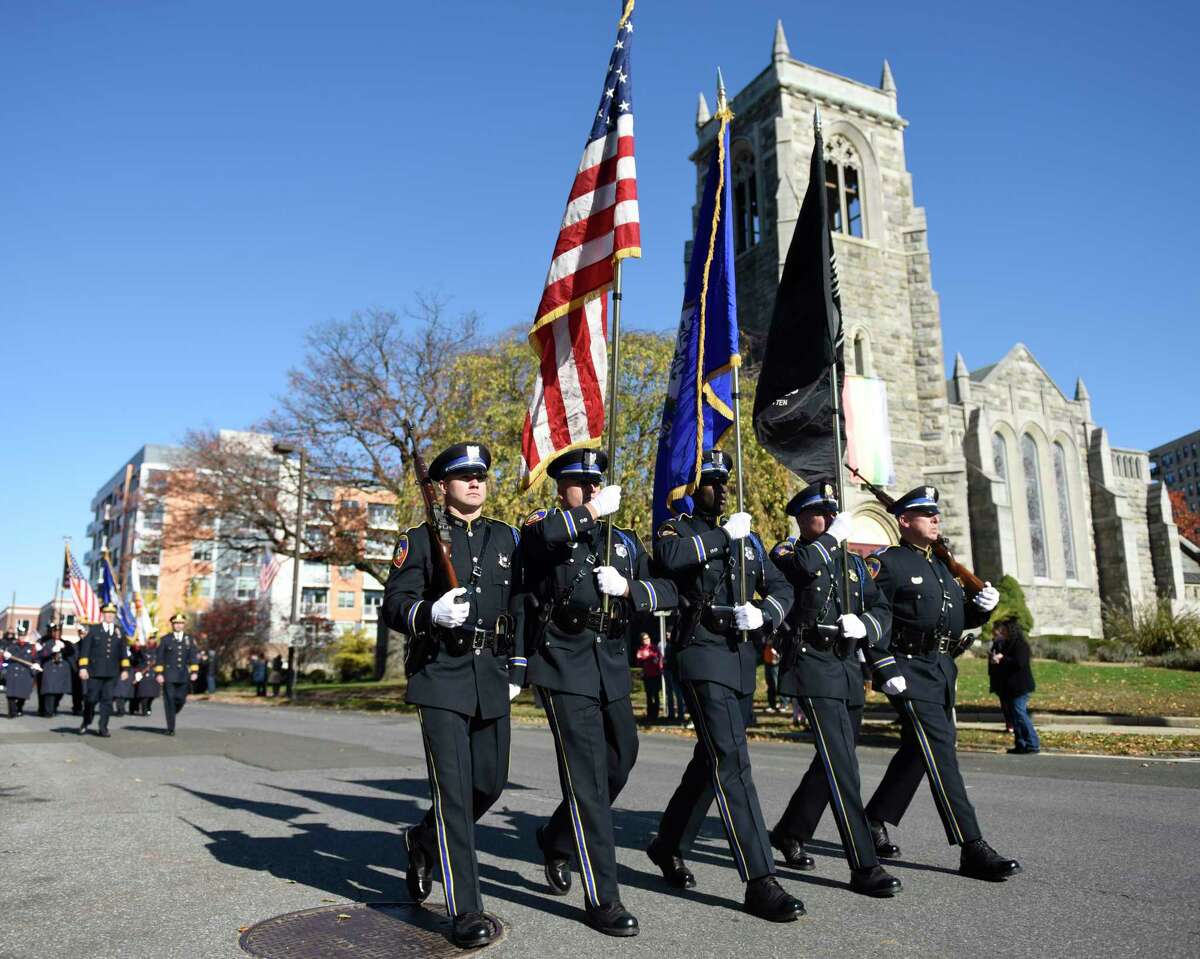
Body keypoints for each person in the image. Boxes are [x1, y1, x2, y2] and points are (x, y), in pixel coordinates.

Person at [518, 448, 676, 937]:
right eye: (579, 484)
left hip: (609, 663)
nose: (589, 490)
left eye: (595, 484)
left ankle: (556, 835)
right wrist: (588, 514)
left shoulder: (621, 543)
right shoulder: (548, 524)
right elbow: (537, 541)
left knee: (620, 760)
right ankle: (603, 896)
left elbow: (669, 590)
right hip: (563, 662)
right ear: (561, 488)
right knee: (586, 778)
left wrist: (630, 590)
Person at [646, 449, 804, 923]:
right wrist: (721, 536)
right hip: (700, 651)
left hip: (739, 658)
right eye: (710, 480)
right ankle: (761, 879)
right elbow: (669, 559)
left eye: (723, 480)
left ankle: (668, 842)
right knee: (733, 759)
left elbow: (783, 588)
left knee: (711, 759)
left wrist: (765, 613)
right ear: (692, 486)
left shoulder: (749, 539)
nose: (719, 488)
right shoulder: (680, 529)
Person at [382, 441, 525, 950]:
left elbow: (523, 603)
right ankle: (466, 909)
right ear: (441, 486)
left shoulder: (507, 537)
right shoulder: (419, 540)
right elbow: (393, 603)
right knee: (455, 794)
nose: (474, 482)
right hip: (441, 674)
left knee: (489, 783)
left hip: (491, 672)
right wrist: (429, 613)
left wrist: (520, 666)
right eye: (462, 475)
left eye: (480, 475)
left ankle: (422, 840)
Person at [862, 485, 1022, 882]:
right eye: (925, 514)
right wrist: (882, 666)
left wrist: (979, 611)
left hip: (940, 670)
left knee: (920, 751)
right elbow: (869, 614)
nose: (935, 519)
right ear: (904, 521)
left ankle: (872, 820)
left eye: (936, 514)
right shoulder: (888, 564)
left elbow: (949, 618)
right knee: (940, 753)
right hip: (908, 669)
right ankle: (972, 846)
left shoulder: (940, 566)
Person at [766, 479, 903, 897]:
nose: (826, 519)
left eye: (831, 513)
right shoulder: (788, 551)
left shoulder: (854, 565)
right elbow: (804, 568)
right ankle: (864, 864)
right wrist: (832, 536)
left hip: (846, 666)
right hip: (811, 662)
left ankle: (790, 831)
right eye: (817, 514)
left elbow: (880, 605)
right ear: (802, 519)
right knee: (843, 764)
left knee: (832, 759)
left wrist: (867, 625)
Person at [77, 604, 131, 737]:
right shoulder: (94, 630)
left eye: (112, 613)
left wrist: (125, 669)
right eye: (107, 613)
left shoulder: (120, 631)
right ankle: (86, 720)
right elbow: (85, 650)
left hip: (111, 673)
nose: (110, 615)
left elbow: (123, 652)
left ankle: (103, 727)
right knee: (91, 699)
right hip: (94, 672)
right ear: (103, 614)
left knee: (107, 701)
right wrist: (83, 668)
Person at [989, 617, 1040, 754]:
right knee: (1015, 716)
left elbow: (1019, 663)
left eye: (1005, 630)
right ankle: (1021, 744)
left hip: (1020, 686)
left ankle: (1033, 743)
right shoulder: (1006, 644)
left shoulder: (1020, 645)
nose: (1002, 632)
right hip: (1009, 687)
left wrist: (1002, 659)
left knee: (1020, 714)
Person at [155, 613, 199, 735]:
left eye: (181, 623)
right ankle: (170, 728)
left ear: (183, 625)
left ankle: (172, 712)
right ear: (172, 625)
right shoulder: (165, 639)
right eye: (176, 623)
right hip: (168, 675)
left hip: (183, 675)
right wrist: (159, 673)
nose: (178, 626)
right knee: (169, 701)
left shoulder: (189, 639)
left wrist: (194, 671)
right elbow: (159, 658)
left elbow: (193, 656)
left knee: (180, 699)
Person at [37, 622, 74, 717]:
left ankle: (54, 707)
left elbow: (71, 652)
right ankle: (47, 711)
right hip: (50, 670)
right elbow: (40, 654)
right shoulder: (46, 642)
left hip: (61, 671)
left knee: (59, 692)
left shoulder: (65, 642)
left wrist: (64, 648)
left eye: (58, 632)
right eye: (54, 632)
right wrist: (51, 650)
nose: (56, 634)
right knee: (49, 691)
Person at [2, 629, 41, 718]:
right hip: (13, 673)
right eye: (20, 636)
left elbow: (36, 658)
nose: (21, 638)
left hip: (25, 673)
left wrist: (36, 664)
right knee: (11, 694)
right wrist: (6, 657)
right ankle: (12, 712)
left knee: (22, 694)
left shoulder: (31, 647)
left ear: (26, 636)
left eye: (23, 636)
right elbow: (4, 659)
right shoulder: (11, 646)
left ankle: (19, 708)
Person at [635, 633, 664, 724]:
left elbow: (658, 659)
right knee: (648, 696)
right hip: (647, 676)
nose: (647, 640)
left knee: (655, 695)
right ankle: (650, 715)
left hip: (656, 675)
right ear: (641, 641)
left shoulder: (654, 648)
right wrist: (642, 658)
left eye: (648, 638)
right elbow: (638, 662)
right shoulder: (641, 649)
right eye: (644, 639)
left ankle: (656, 715)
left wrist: (649, 657)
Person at [662, 630, 686, 724]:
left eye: (669, 633)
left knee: (678, 695)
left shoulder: (676, 644)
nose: (667, 634)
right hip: (667, 671)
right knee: (670, 694)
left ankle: (680, 715)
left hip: (674, 672)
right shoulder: (668, 644)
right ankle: (671, 714)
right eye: (667, 633)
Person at [132, 641, 161, 716]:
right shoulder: (141, 649)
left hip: (153, 674)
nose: (151, 641)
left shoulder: (158, 650)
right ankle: (144, 710)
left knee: (152, 695)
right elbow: (135, 658)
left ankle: (148, 706)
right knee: (144, 694)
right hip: (143, 674)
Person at [761, 638, 781, 713]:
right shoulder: (766, 634)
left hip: (775, 664)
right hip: (768, 662)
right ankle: (772, 705)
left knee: (776, 685)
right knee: (770, 685)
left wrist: (777, 658)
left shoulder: (778, 633)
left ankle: (783, 703)